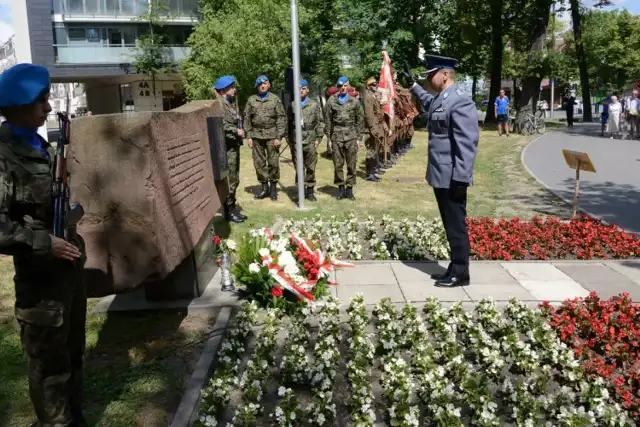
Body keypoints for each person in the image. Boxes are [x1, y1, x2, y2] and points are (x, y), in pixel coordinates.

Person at [0, 63, 88, 426]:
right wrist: (44, 243)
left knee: (73, 355)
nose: (48, 108)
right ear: (17, 107)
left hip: (67, 273)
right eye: (40, 103)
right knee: (49, 368)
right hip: (40, 284)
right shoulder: (4, 157)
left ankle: (75, 417)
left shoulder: (40, 143)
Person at [402, 55, 479, 288]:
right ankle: (455, 267)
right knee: (449, 223)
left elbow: (467, 144)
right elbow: (428, 102)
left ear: (445, 74)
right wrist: (413, 86)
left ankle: (461, 272)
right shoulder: (443, 99)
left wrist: (461, 178)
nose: (427, 78)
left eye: (430, 74)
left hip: (452, 177)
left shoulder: (460, 101)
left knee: (456, 225)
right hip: (440, 175)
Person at [244, 75, 286, 201]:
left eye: (265, 83)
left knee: (273, 162)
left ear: (269, 85)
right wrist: (249, 136)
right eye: (260, 84)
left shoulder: (275, 99)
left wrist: (279, 136)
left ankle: (273, 189)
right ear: (257, 86)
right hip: (256, 136)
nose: (263, 86)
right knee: (259, 163)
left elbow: (281, 118)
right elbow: (247, 118)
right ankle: (264, 188)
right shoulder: (252, 100)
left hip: (272, 135)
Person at [212, 75, 246, 223]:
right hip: (226, 147)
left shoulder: (230, 103)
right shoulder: (220, 104)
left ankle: (231, 209)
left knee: (234, 178)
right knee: (230, 180)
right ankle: (229, 211)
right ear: (224, 89)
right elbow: (222, 124)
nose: (234, 89)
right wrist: (236, 131)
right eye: (232, 87)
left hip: (233, 146)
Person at [324, 76, 364, 200]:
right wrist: (329, 139)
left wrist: (358, 138)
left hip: (351, 135)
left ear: (348, 86)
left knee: (352, 164)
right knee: (338, 164)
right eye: (340, 86)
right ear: (337, 87)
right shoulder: (331, 101)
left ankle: (350, 189)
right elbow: (328, 120)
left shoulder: (354, 101)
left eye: (345, 86)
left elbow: (360, 119)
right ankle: (341, 189)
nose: (343, 88)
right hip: (336, 135)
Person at [287, 79, 324, 201]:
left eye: (303, 89)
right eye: (299, 89)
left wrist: (319, 138)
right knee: (299, 167)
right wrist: (289, 140)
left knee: (311, 166)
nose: (301, 91)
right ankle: (301, 191)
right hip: (296, 141)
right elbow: (288, 123)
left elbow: (319, 123)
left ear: (307, 90)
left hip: (310, 140)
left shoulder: (314, 105)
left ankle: (310, 190)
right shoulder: (292, 104)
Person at [362, 77, 385, 182]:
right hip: (370, 128)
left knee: (375, 149)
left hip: (376, 126)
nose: (375, 86)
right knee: (371, 150)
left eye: (375, 84)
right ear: (368, 86)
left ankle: (373, 170)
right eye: (372, 85)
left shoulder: (373, 95)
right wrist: (372, 127)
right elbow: (369, 114)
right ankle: (369, 174)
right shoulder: (367, 96)